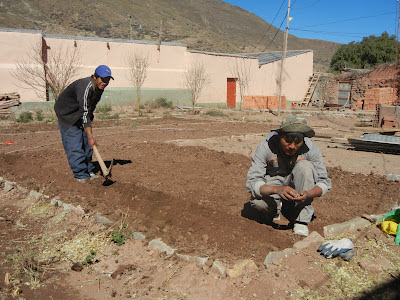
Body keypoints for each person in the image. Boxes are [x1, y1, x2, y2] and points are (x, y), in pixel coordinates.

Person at [245, 115, 331, 236]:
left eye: (297, 142)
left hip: (297, 189)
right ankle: (275, 209)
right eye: (288, 141)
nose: (292, 146)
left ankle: (301, 220)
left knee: (305, 167)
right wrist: (277, 190)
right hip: (273, 185)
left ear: (303, 140)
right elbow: (252, 182)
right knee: (259, 204)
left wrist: (308, 194)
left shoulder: (310, 149)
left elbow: (324, 182)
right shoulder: (266, 146)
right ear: (280, 136)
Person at [54, 65, 114, 182]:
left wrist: (88, 127)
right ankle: (81, 174)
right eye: (102, 79)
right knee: (75, 144)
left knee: (87, 144)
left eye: (107, 80)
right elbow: (85, 110)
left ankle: (89, 170)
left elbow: (90, 107)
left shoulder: (99, 88)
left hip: (79, 113)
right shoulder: (86, 86)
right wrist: (91, 136)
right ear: (95, 77)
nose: (105, 83)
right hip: (67, 114)